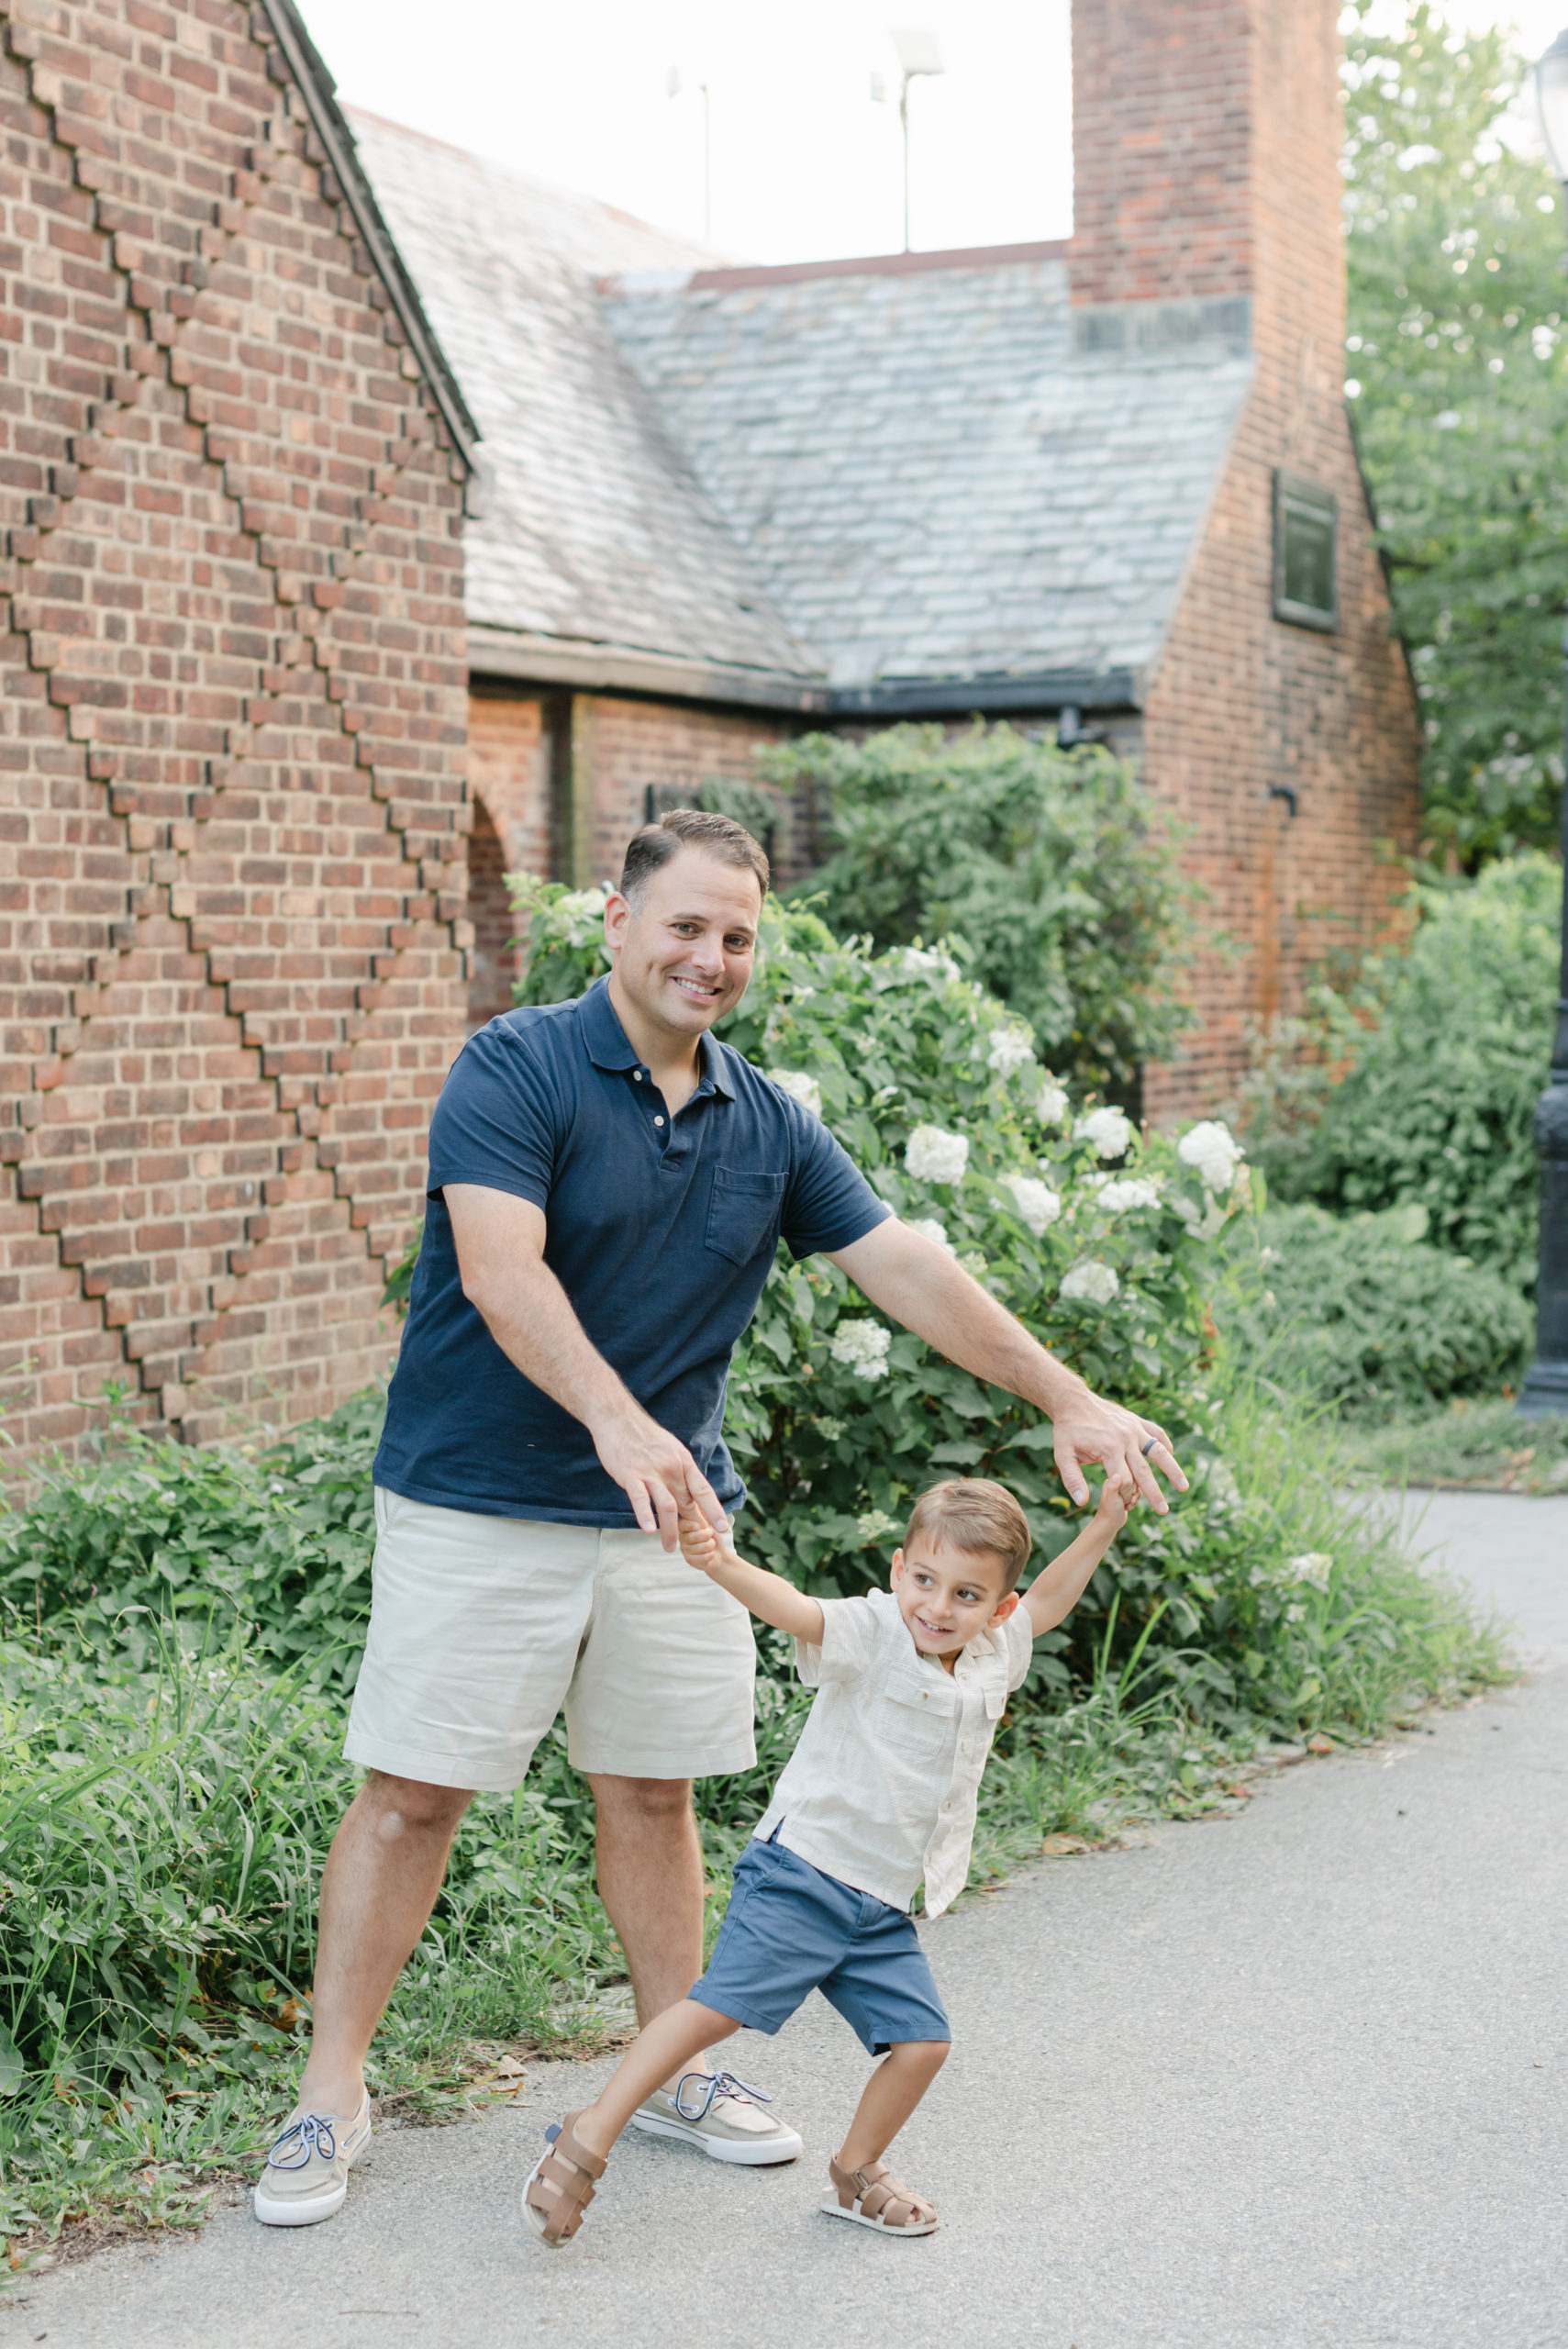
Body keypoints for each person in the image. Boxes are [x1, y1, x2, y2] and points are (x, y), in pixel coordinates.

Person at [253, 806, 1184, 2229]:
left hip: (673, 1522)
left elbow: (905, 1267)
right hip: (480, 1498)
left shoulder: (770, 1122)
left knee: (653, 1787)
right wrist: (619, 1419)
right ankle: (329, 2095)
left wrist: (1068, 1395)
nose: (712, 956)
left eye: (738, 935)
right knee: (413, 1794)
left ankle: (672, 2069)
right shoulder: (517, 1067)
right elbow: (505, 1275)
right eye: (686, 924)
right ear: (617, 922)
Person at [522, 1473, 1131, 2246]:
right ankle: (590, 2132)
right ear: (897, 1569)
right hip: (803, 1874)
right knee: (713, 2012)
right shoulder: (872, 1632)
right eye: (924, 1580)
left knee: (922, 2043)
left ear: (996, 1610)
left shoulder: (991, 1654)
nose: (938, 1608)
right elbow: (795, 1609)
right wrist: (719, 1564)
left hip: (878, 1904)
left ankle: (855, 2174)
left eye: (967, 1596)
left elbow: (1048, 1600)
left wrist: (1105, 1521)